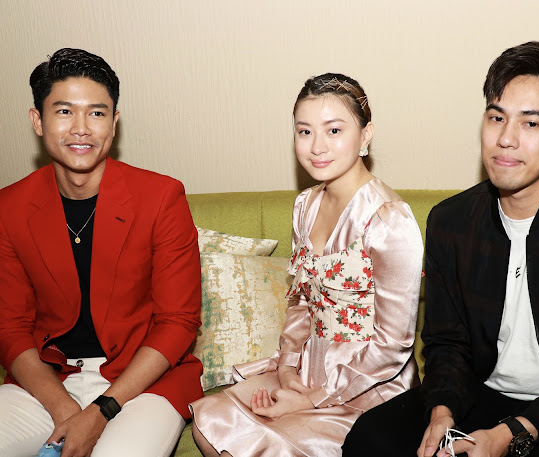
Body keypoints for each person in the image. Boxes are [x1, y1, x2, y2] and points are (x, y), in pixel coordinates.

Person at [343, 41, 539, 457]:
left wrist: (510, 433)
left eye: (531, 123)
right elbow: (446, 343)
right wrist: (442, 412)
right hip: (481, 393)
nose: (505, 139)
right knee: (372, 438)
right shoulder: (451, 221)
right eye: (496, 117)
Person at [190, 73, 424, 456]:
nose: (317, 147)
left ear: (365, 135)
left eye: (334, 130)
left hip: (368, 384)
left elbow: (393, 345)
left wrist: (312, 399)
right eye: (304, 131)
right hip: (308, 366)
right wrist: (286, 368)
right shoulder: (305, 205)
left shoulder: (388, 220)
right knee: (211, 421)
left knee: (269, 444)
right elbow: (301, 300)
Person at [0, 48, 203, 457]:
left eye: (96, 113)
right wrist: (65, 409)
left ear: (114, 123)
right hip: (47, 381)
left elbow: (178, 322)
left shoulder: (161, 197)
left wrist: (101, 410)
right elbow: (10, 327)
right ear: (38, 121)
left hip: (142, 382)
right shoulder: (10, 207)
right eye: (64, 112)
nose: (81, 129)